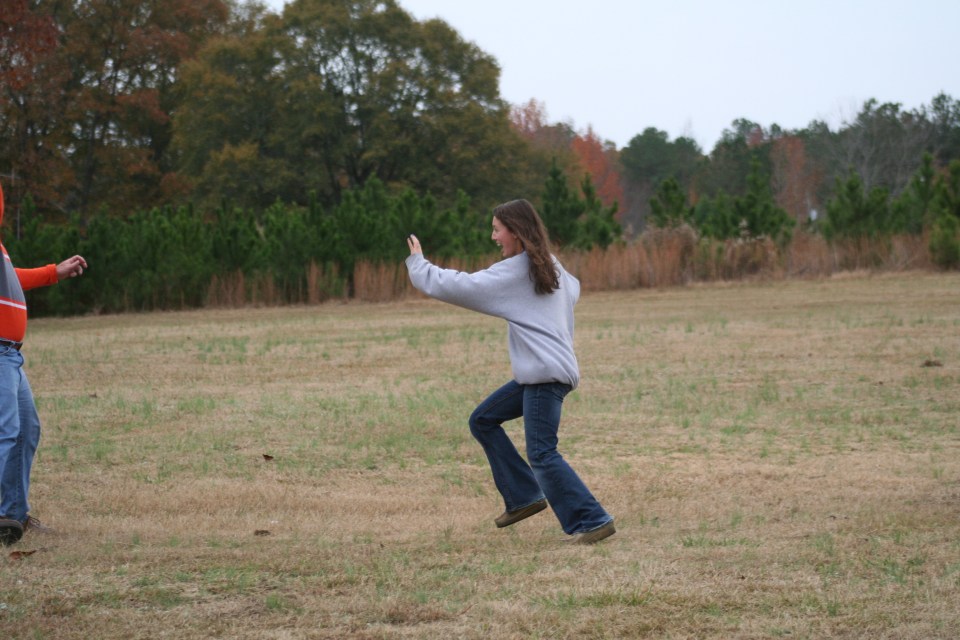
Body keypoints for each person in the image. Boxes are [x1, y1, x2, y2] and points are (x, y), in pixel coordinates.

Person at [405, 198, 615, 544]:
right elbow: (573, 289)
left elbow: (461, 286)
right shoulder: (551, 266)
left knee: (542, 453)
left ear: (515, 232)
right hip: (546, 373)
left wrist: (419, 264)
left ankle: (592, 520)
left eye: (497, 229)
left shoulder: (516, 273)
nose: (493, 237)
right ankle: (523, 496)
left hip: (544, 377)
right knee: (483, 420)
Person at [0, 181, 87, 546]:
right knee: (5, 432)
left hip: (10, 354)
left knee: (25, 430)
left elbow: (12, 279)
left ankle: (12, 516)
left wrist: (54, 272)